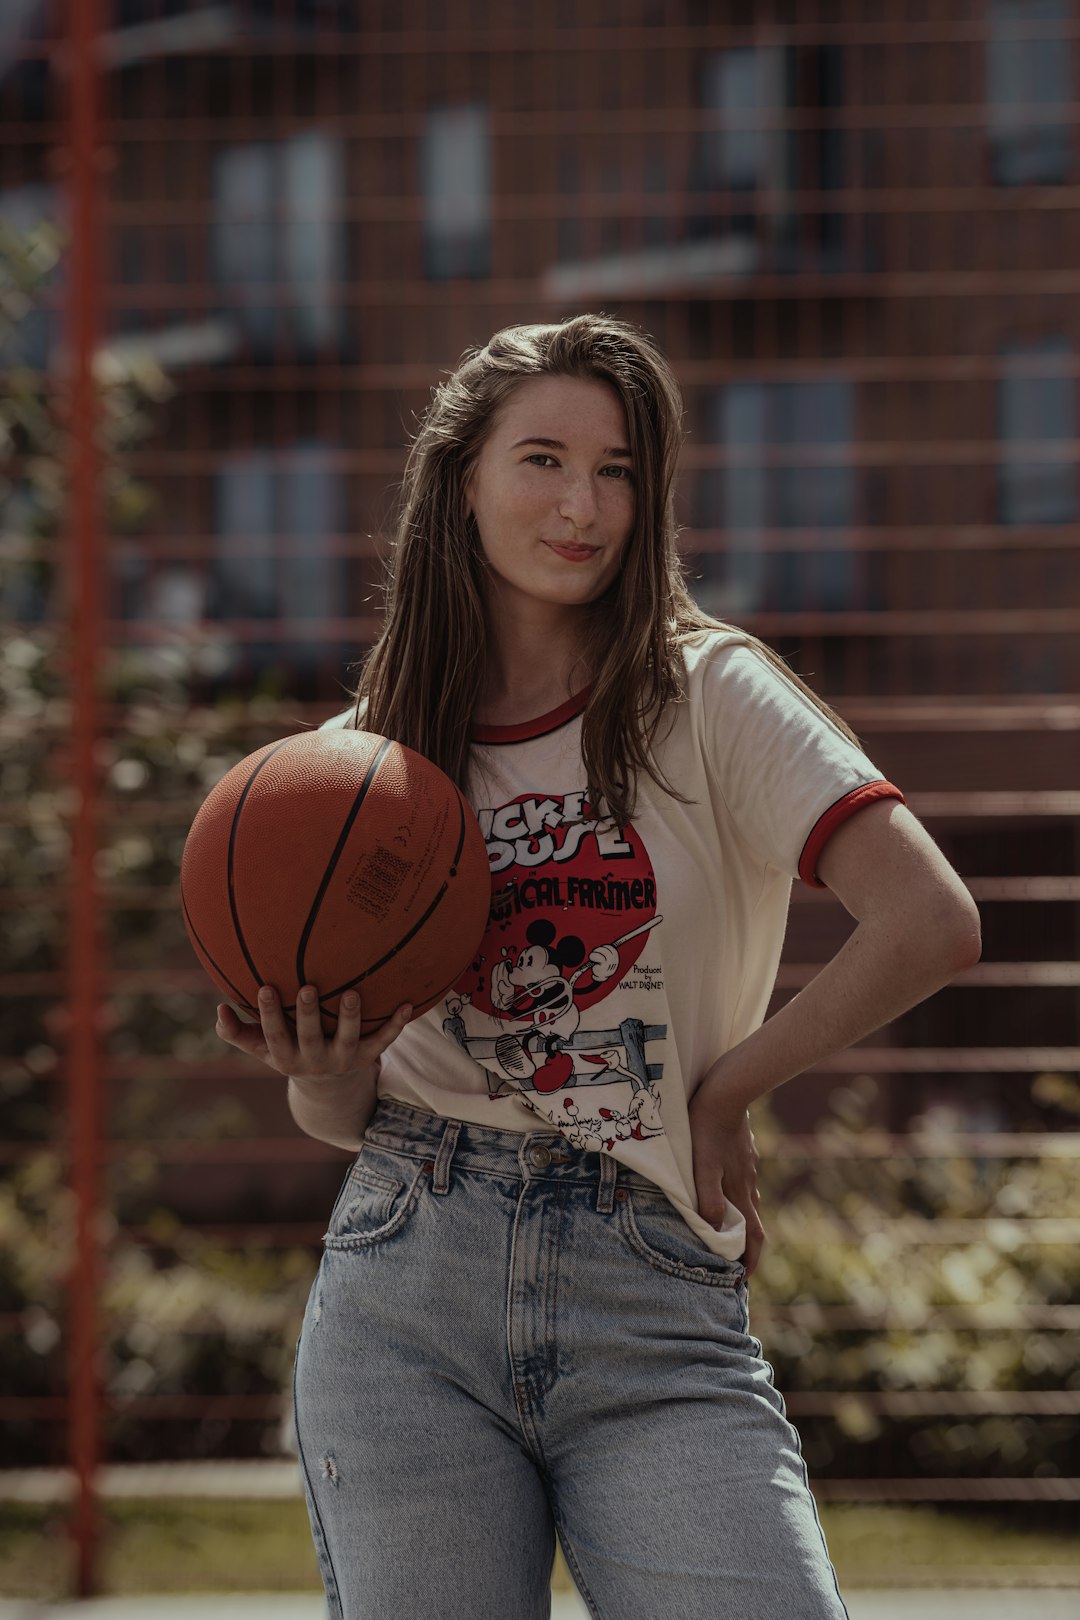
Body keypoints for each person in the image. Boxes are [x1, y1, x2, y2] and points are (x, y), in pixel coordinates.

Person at [215, 314, 981, 1619]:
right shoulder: (362, 769)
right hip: (411, 1273)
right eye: (544, 460)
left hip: (653, 1283)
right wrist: (321, 1070)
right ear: (461, 480)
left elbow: (931, 920)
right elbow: (346, 1116)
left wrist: (729, 1087)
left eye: (618, 470)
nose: (583, 504)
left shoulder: (711, 694)